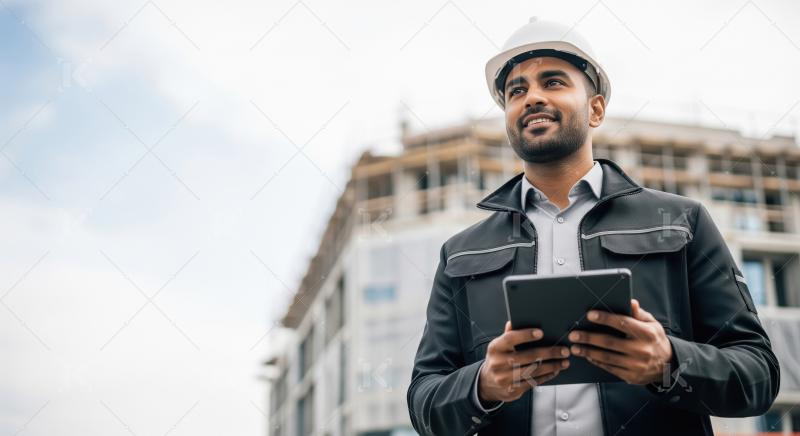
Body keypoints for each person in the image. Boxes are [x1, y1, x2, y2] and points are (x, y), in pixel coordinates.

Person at [407, 17, 780, 436]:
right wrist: (484, 385)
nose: (532, 98)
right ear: (508, 116)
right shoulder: (460, 252)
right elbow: (424, 402)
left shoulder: (683, 223)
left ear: (596, 109)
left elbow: (759, 375)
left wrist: (669, 362)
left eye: (552, 82)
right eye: (517, 90)